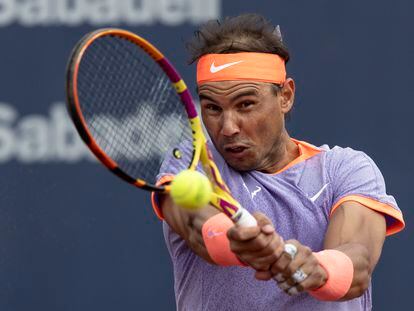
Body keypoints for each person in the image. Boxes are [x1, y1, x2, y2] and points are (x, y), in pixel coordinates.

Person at [151, 14, 405, 310]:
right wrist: (236, 241)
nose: (228, 126)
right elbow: (197, 226)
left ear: (285, 96)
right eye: (212, 108)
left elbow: (357, 262)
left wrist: (317, 270)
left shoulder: (345, 169)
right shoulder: (191, 163)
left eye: (245, 104)